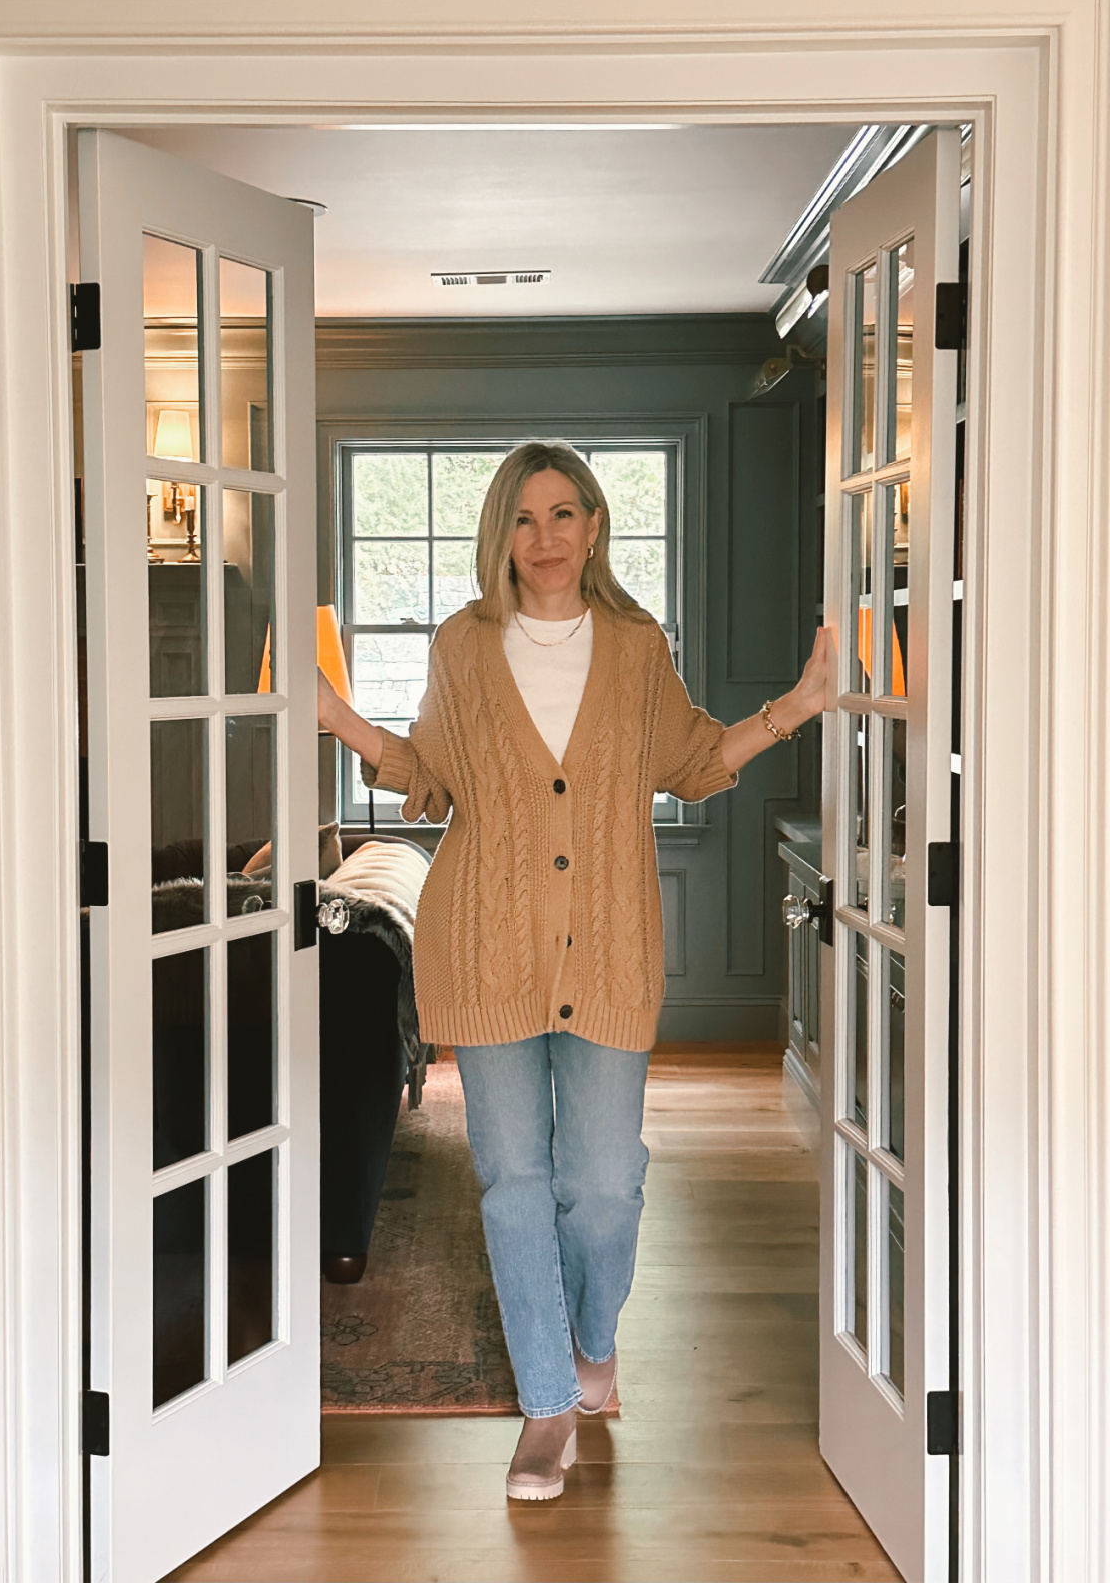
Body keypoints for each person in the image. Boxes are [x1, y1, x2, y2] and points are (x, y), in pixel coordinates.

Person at [317, 439, 829, 1500]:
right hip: (485, 939)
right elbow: (433, 776)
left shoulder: (639, 648)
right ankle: (548, 1403)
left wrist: (800, 703)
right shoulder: (464, 646)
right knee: (514, 1182)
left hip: (608, 943)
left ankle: (594, 1339)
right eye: (522, 517)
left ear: (595, 526)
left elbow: (692, 760)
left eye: (564, 514)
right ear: (499, 533)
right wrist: (342, 720)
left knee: (605, 1183)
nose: (543, 537)